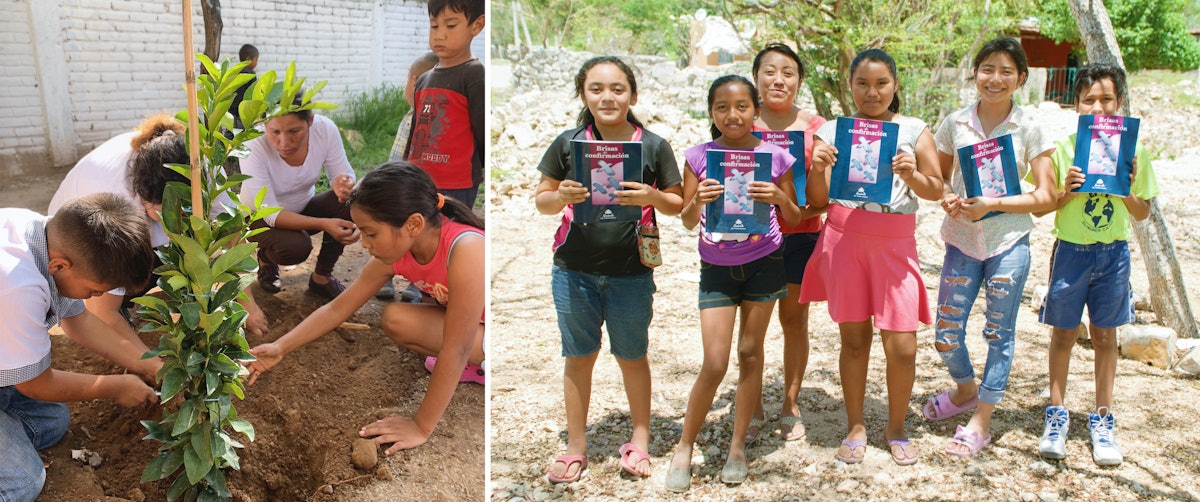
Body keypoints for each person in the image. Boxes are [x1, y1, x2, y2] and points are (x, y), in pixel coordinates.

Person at [246, 161, 485, 454]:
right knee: (396, 318)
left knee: (455, 350)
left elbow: (457, 346)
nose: (364, 244)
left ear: (413, 224)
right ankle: (477, 360)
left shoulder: (467, 249)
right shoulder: (400, 249)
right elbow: (338, 309)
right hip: (473, 326)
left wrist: (420, 426)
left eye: (371, 234)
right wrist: (280, 347)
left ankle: (482, 363)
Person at [534, 56, 683, 484]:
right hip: (572, 271)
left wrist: (651, 196)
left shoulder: (652, 146)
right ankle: (575, 446)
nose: (607, 97)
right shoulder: (568, 143)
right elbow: (542, 202)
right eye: (596, 88)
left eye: (617, 89)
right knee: (578, 358)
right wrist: (560, 193)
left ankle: (640, 440)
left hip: (632, 273)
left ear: (632, 95)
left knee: (632, 356)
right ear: (583, 93)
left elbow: (677, 204)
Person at [799, 48, 944, 466]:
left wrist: (911, 174)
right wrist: (817, 166)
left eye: (881, 83)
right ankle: (856, 425)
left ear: (896, 86)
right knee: (855, 341)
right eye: (862, 82)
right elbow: (818, 199)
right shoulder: (832, 130)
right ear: (850, 85)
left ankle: (896, 427)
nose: (872, 91)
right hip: (845, 240)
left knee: (902, 346)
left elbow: (936, 188)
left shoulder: (914, 130)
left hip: (894, 244)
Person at [665, 75, 802, 492]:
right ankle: (684, 446)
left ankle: (738, 447)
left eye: (742, 106)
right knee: (714, 362)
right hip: (717, 268)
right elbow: (687, 221)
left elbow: (795, 218)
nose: (733, 115)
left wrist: (779, 199)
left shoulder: (776, 157)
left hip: (765, 262)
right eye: (722, 107)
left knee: (750, 353)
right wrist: (697, 202)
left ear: (756, 111)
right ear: (711, 112)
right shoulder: (699, 157)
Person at [925, 38, 1057, 458]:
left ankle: (981, 418)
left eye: (1005, 71)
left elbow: (1047, 196)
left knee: (999, 334)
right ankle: (965, 390)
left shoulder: (1029, 127)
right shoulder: (955, 123)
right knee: (945, 334)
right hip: (962, 242)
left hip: (1008, 244)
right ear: (975, 72)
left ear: (1020, 78)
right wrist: (947, 196)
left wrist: (994, 204)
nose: (994, 78)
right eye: (986, 68)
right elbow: (940, 179)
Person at [47, 115, 269, 342]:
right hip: (80, 244)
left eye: (186, 212)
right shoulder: (113, 198)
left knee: (190, 247)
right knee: (116, 285)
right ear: (144, 199)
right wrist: (148, 364)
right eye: (168, 213)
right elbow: (102, 312)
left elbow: (232, 236)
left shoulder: (203, 170)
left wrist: (247, 304)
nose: (178, 220)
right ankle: (125, 303)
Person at [1035, 63, 1156, 466]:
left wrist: (1123, 186)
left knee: (1106, 338)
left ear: (1120, 103)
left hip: (1114, 255)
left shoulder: (1135, 151)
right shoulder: (1064, 149)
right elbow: (1044, 207)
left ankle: (1102, 420)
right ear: (1077, 105)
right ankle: (1056, 416)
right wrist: (1066, 190)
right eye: (1089, 100)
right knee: (1063, 335)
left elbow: (1142, 214)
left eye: (1107, 99)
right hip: (1070, 252)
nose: (1099, 107)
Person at [1, 194, 160, 500]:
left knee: (52, 420)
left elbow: (80, 321)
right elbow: (36, 384)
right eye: (93, 290)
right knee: (23, 480)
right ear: (60, 265)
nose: (94, 297)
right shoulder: (17, 285)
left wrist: (148, 363)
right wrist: (115, 386)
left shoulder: (47, 237)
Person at [746, 42, 828, 443]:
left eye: (789, 73)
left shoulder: (817, 127)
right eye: (770, 71)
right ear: (756, 77)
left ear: (799, 80)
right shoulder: (740, 120)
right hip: (750, 240)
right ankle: (753, 402)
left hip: (802, 236)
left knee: (794, 322)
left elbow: (825, 197)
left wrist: (821, 169)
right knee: (753, 328)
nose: (779, 80)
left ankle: (790, 403)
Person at [239, 104, 359, 299]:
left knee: (350, 203)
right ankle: (266, 258)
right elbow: (270, 215)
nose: (284, 142)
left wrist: (344, 184)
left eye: (294, 131)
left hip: (303, 207)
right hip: (258, 219)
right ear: (264, 124)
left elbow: (343, 173)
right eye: (275, 132)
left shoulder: (324, 129)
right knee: (297, 247)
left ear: (310, 120)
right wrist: (324, 224)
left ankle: (322, 277)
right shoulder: (253, 143)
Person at [404, 0, 486, 207]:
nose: (439, 34)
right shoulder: (423, 79)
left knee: (450, 234)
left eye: (450, 26)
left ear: (476, 25)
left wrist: (478, 170)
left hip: (456, 185)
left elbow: (483, 131)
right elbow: (415, 133)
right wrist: (405, 170)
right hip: (417, 180)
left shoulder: (475, 74)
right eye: (434, 26)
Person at [380, 51, 441, 302]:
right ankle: (386, 276)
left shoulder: (425, 118)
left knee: (407, 234)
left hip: (409, 187)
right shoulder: (410, 116)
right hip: (405, 185)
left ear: (415, 81)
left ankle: (417, 284)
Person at [231, 44, 260, 131]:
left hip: (232, 111)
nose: (256, 63)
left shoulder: (234, 72)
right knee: (243, 134)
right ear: (248, 59)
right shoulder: (250, 74)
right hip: (243, 112)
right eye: (256, 59)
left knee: (232, 132)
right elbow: (254, 94)